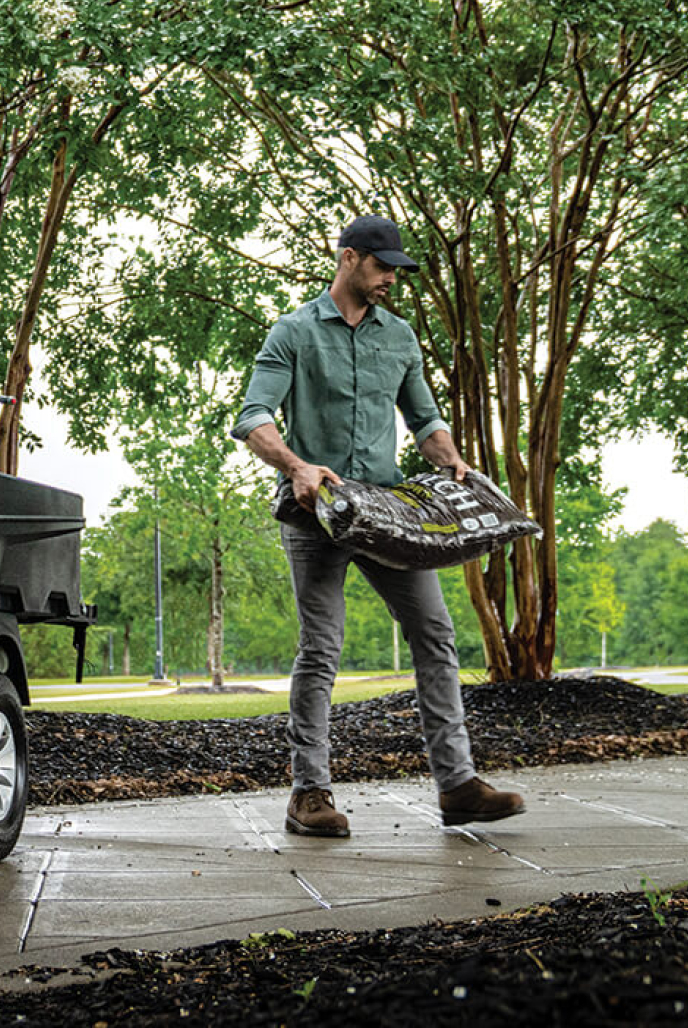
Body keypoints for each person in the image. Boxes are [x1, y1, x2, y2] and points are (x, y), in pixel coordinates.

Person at [229, 215, 526, 838]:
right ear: (348, 258)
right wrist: (296, 466)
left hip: (388, 513)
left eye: (396, 269)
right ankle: (309, 794)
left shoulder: (400, 337)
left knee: (435, 633)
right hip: (316, 512)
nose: (391, 278)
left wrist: (449, 457)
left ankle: (457, 786)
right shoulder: (294, 332)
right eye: (382, 266)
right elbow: (254, 417)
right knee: (321, 647)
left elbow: (425, 420)